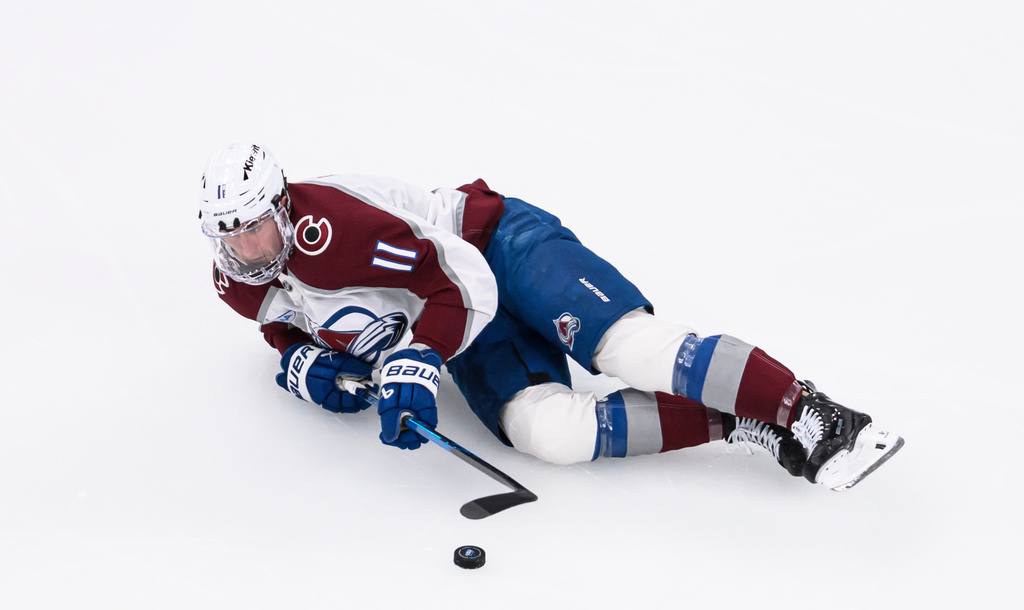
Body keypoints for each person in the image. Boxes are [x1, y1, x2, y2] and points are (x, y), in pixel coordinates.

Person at [198, 142, 903, 491]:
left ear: (283, 207)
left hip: (494, 249)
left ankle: (817, 411)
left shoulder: (334, 232)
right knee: (545, 431)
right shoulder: (235, 277)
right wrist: (302, 363)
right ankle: (743, 421)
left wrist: (418, 358)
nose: (245, 249)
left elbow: (459, 277)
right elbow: (282, 323)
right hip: (456, 313)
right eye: (228, 235)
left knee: (627, 346)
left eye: (254, 228)